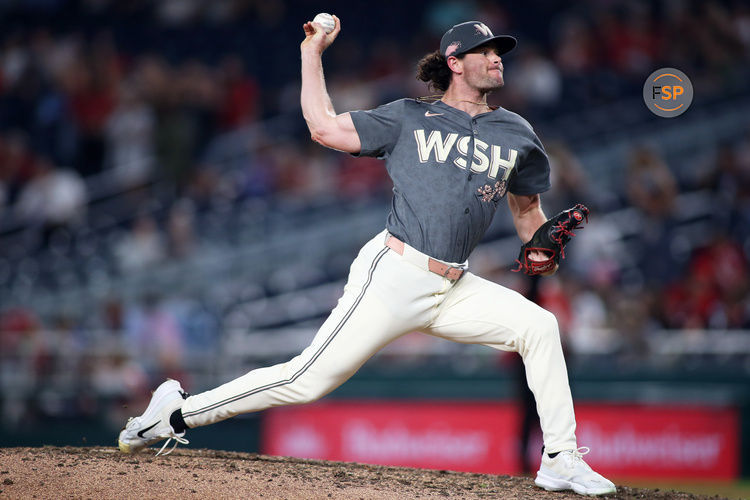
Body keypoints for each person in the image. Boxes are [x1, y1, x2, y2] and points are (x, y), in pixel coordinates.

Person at [118, 18, 616, 496]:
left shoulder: (516, 132)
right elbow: (323, 128)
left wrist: (548, 249)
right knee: (304, 380)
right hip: (395, 274)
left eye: (499, 52)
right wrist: (310, 54)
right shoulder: (409, 116)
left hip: (455, 285)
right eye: (485, 52)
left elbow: (530, 222)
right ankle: (173, 413)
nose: (496, 59)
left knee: (540, 327)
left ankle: (560, 459)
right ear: (455, 62)